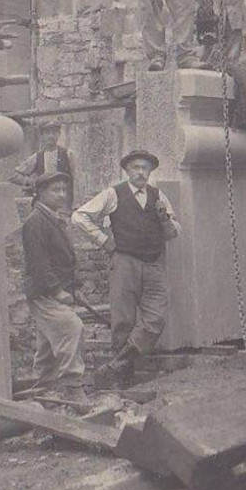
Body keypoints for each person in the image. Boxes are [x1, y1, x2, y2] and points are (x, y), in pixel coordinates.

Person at [72, 149, 181, 381]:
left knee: (155, 320)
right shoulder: (113, 194)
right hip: (125, 262)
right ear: (127, 170)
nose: (140, 172)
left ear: (151, 171)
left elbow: (173, 234)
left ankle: (115, 365)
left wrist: (164, 218)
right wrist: (104, 241)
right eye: (135, 168)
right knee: (123, 320)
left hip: (153, 264)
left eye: (145, 168)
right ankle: (122, 378)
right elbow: (79, 216)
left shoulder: (158, 196)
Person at [21, 171, 86, 401]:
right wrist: (56, 290)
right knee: (71, 327)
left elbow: (62, 257)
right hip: (44, 292)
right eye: (55, 190)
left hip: (56, 289)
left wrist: (71, 287)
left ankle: (42, 385)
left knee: (48, 339)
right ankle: (73, 387)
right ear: (40, 193)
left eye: (63, 190)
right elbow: (39, 263)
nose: (61, 194)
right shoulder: (36, 221)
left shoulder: (53, 218)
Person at [9, 120, 76, 206]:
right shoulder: (37, 157)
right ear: (42, 136)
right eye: (47, 133)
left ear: (59, 134)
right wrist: (30, 181)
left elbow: (76, 180)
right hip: (44, 202)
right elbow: (14, 176)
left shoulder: (68, 154)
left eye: (54, 132)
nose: (51, 136)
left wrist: (76, 203)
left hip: (63, 202)